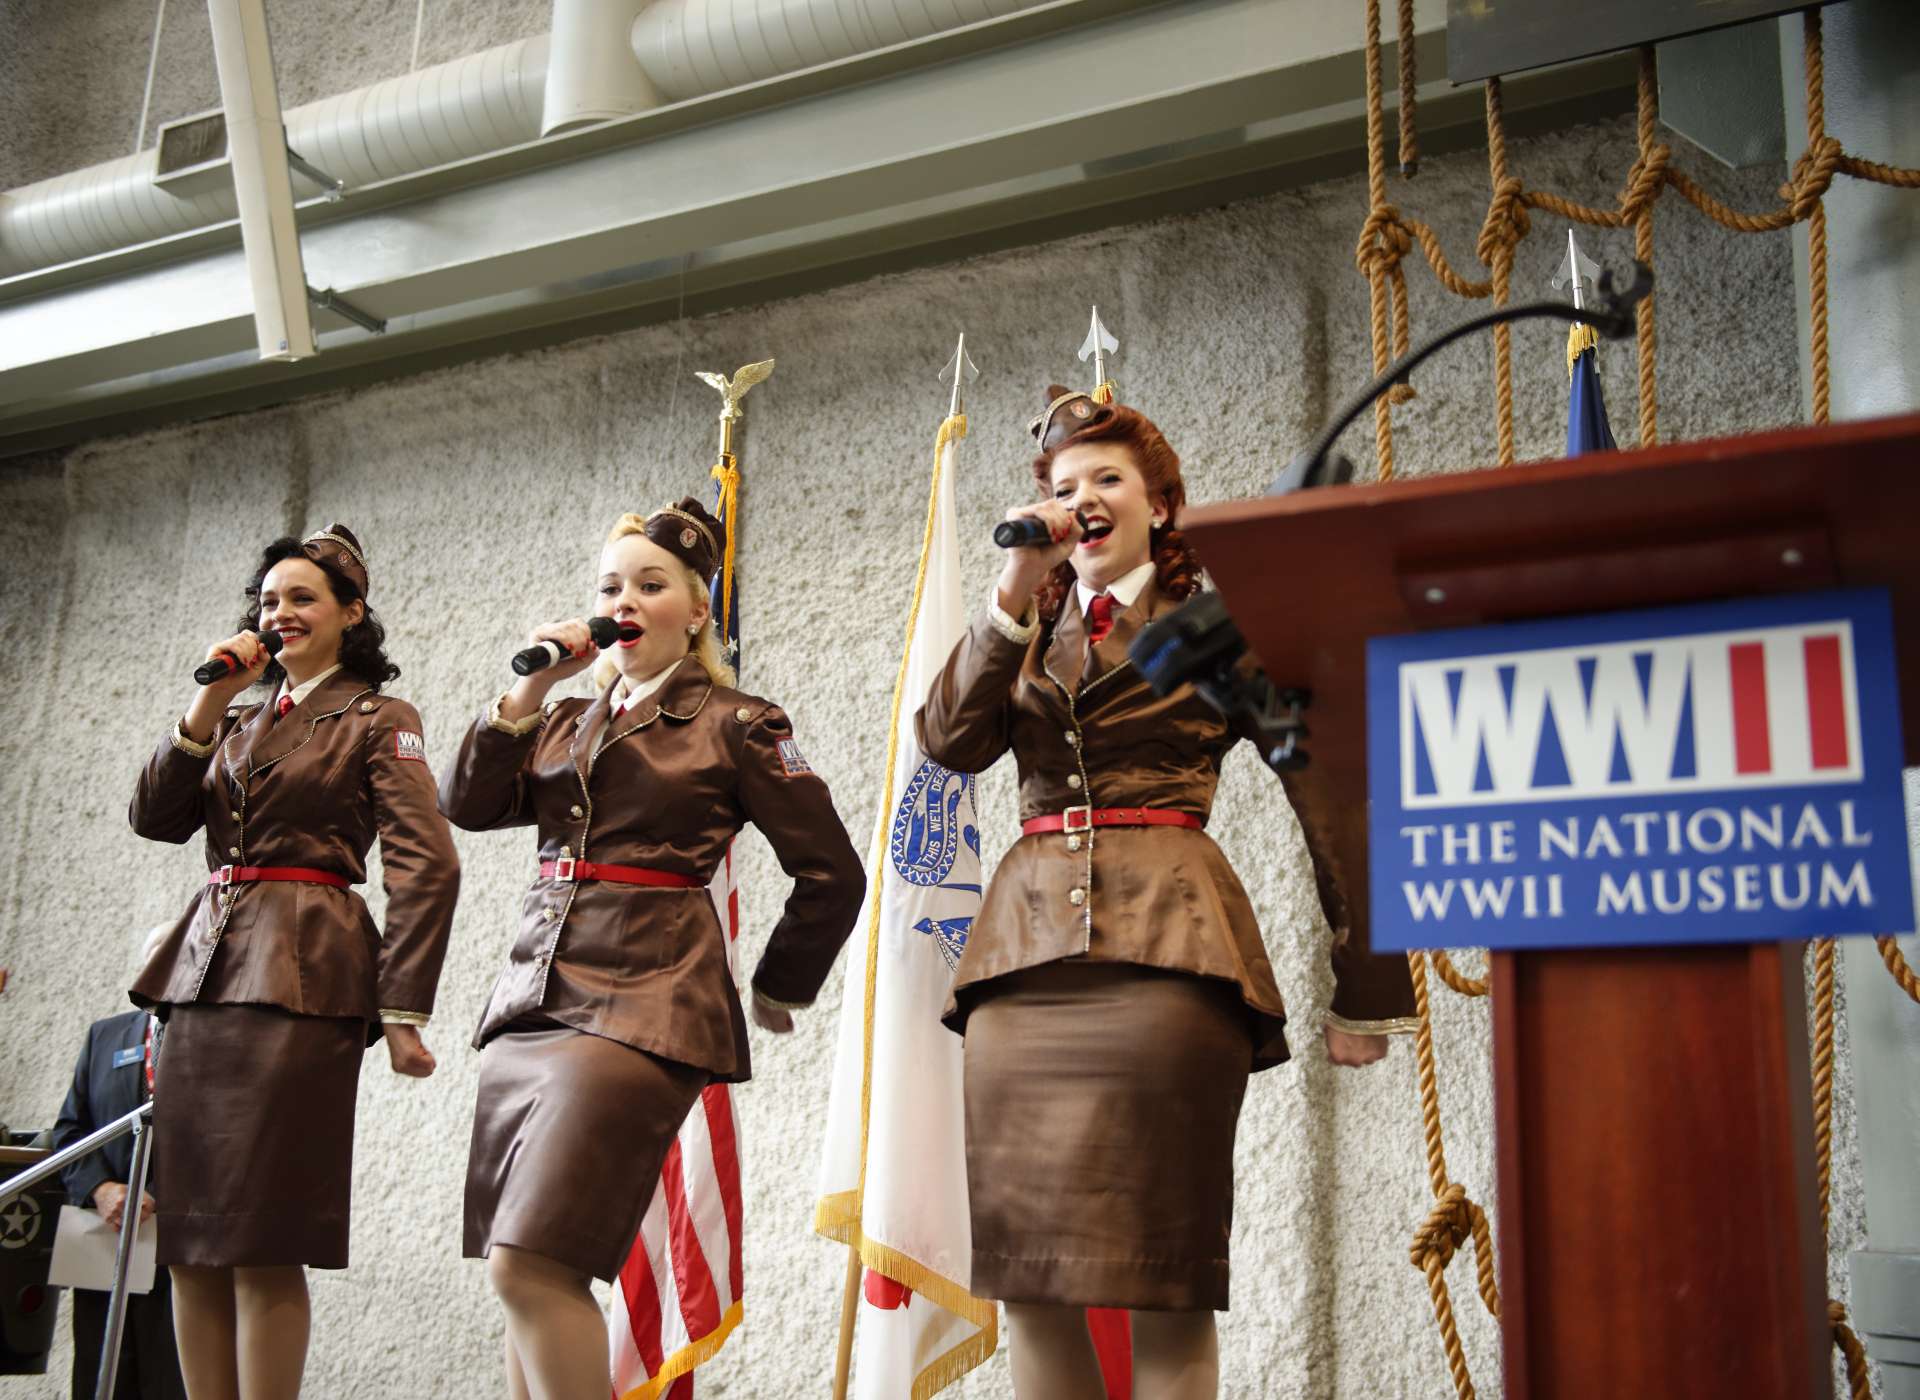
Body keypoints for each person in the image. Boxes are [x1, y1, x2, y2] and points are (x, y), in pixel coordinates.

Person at [916, 387, 1420, 1400]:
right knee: (1033, 1282)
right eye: (1064, 485)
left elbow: (1333, 797)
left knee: (1166, 1280)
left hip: (1173, 959)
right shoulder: (1023, 623)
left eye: (1107, 478)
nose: (1084, 497)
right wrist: (1014, 585)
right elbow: (948, 743)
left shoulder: (1221, 627)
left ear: (1159, 503)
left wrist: (1366, 981)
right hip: (1021, 970)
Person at [439, 499, 864, 1400]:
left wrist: (778, 988)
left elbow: (832, 873)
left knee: (530, 1265)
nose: (623, 599)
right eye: (609, 586)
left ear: (698, 609)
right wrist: (525, 689)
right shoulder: (560, 721)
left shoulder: (739, 722)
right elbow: (466, 803)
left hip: (645, 1002)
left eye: (650, 583)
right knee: (516, 1273)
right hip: (532, 1003)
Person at [127, 524, 461, 1400]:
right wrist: (207, 703)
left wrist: (403, 1010)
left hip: (301, 974)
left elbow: (428, 862)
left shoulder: (379, 717)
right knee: (192, 1240)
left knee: (263, 1237)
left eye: (302, 598)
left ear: (351, 614)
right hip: (205, 975)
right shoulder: (235, 715)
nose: (280, 613)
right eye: (269, 600)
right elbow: (156, 817)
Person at [52, 936, 188, 1400]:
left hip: (177, 1256)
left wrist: (161, 1196)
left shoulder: (214, 1044)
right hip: (102, 1247)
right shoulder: (104, 1036)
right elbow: (69, 1133)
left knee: (169, 1380)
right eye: (156, 959)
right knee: (99, 1380)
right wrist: (102, 1189)